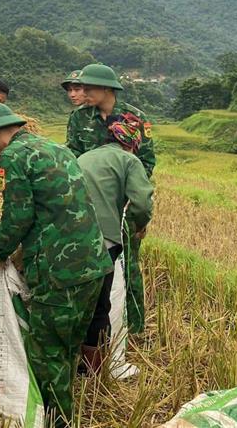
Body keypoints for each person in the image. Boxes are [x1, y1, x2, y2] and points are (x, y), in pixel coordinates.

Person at [0, 103, 112, 428]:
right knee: (66, 349)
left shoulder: (13, 157)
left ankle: (58, 421)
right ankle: (65, 412)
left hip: (59, 272)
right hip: (92, 266)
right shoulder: (54, 148)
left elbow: (18, 215)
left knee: (46, 355)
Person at [63, 63, 154, 334]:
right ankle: (98, 329)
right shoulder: (79, 118)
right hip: (88, 202)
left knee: (128, 263)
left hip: (124, 203)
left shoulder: (134, 118)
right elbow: (72, 156)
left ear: (106, 89)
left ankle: (134, 328)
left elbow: (146, 161)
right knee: (92, 264)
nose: (83, 91)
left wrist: (131, 197)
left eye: (88, 87)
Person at [76, 113, 154, 375]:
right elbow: (142, 202)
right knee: (100, 305)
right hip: (103, 239)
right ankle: (93, 374)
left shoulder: (84, 157)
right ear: (132, 143)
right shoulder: (129, 160)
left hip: (66, 237)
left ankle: (68, 363)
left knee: (75, 300)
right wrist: (139, 225)